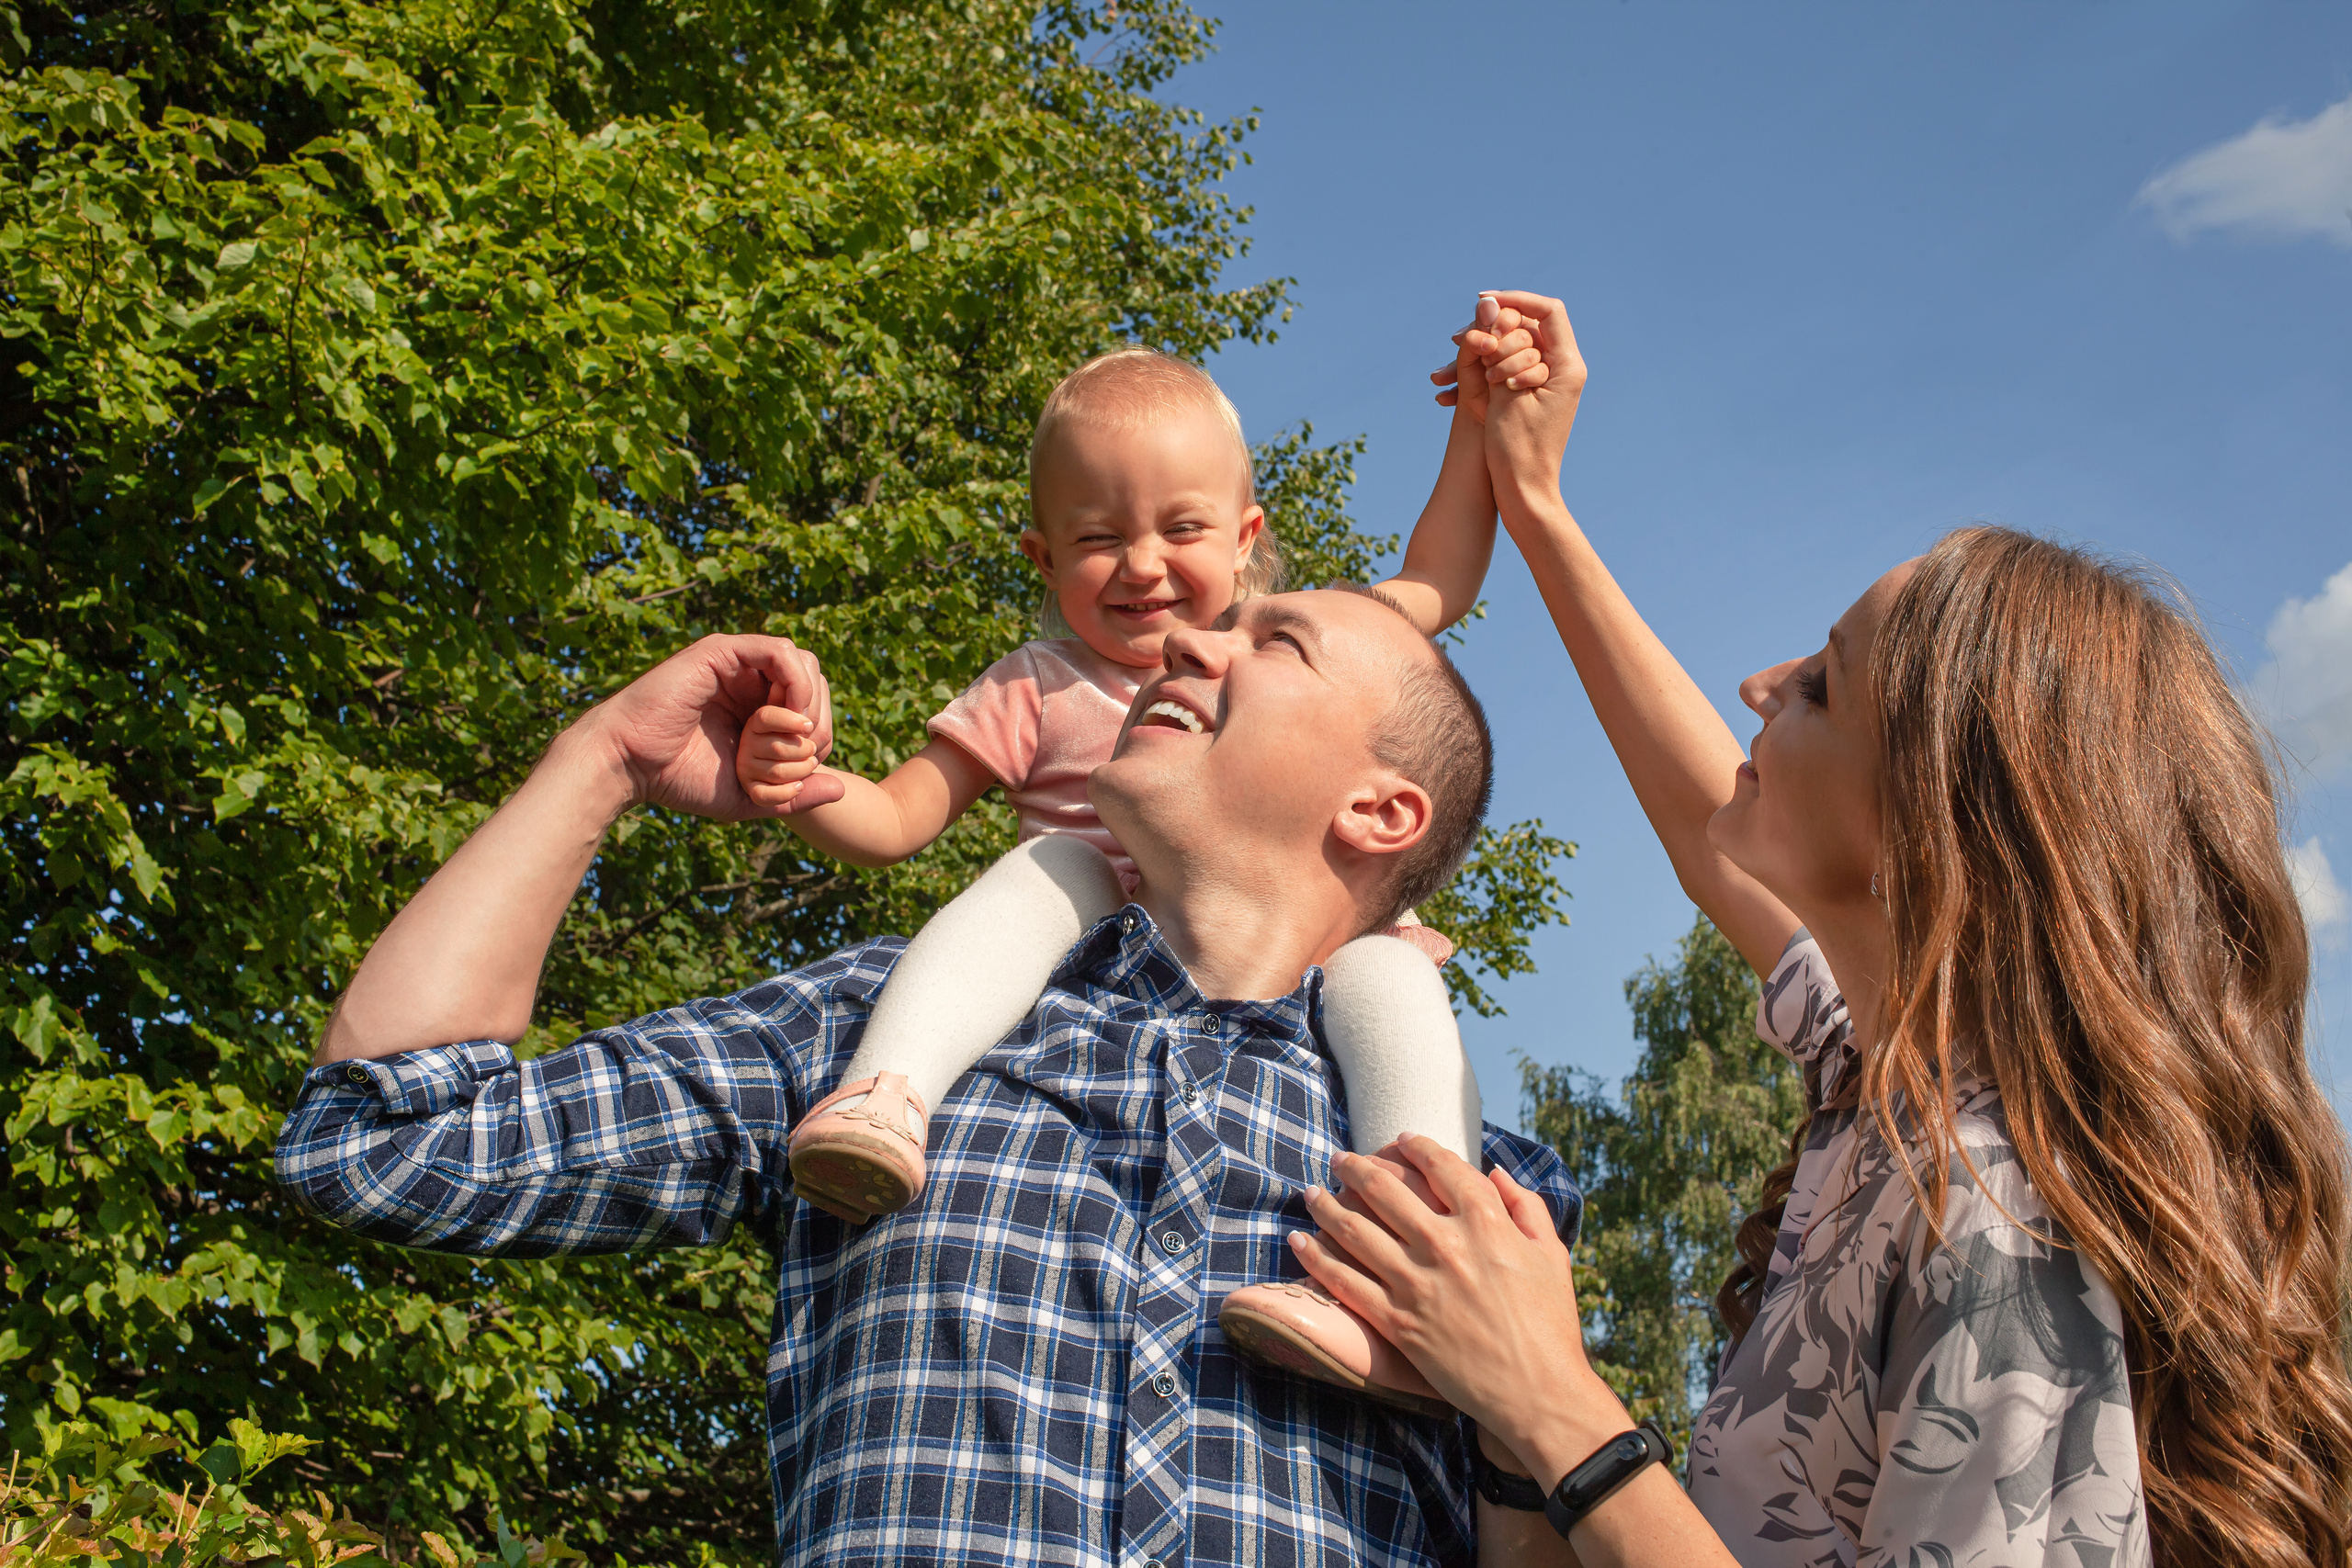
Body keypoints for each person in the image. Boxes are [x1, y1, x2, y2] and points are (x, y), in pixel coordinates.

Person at [1288, 292, 2352, 1567]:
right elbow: (1704, 824)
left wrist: (1555, 1399)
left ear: (1929, 835)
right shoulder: (1883, 1095)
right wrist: (1534, 505)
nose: (1758, 685)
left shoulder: (2004, 1220)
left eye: (1820, 683)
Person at [275, 573, 1584, 1566]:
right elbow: (389, 1140)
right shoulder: (877, 1029)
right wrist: (601, 760)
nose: (1184, 636)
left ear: (1381, 810)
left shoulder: (1488, 1205)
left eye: (1274, 640)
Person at [727, 333, 1516, 1405]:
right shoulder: (1038, 689)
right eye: (1098, 538)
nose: (1143, 564)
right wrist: (806, 778)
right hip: (1105, 964)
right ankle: (888, 1093)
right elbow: (901, 815)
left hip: (1281, 972)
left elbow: (1437, 577)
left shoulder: (1295, 656)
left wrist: (1478, 422)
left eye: (1181, 528)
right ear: (1043, 562)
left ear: (1246, 539)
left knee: (1395, 979)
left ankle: (1408, 1271)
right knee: (1059, 859)